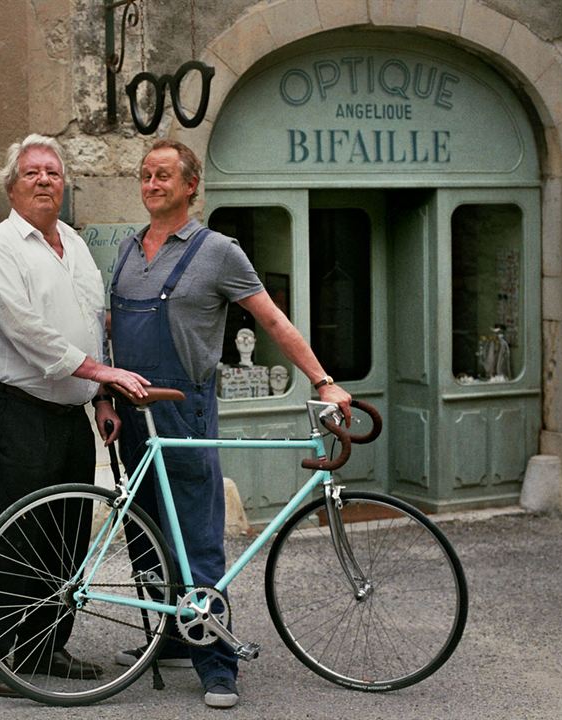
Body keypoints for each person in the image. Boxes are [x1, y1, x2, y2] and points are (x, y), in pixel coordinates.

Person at [109, 139, 351, 709]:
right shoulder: (126, 247)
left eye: (163, 175)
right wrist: (103, 394)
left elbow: (271, 319)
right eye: (145, 174)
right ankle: (170, 637)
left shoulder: (218, 252)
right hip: (130, 407)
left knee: (197, 535)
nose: (151, 183)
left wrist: (322, 381)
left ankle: (217, 663)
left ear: (191, 185)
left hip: (184, 406)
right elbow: (109, 328)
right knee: (146, 530)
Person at [0, 134, 150, 692]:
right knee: (16, 532)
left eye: (53, 172)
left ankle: (44, 647)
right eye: (32, 172)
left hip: (71, 409)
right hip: (19, 408)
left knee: (67, 535)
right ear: (11, 186)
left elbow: (92, 319)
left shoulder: (73, 241)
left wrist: (101, 397)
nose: (45, 180)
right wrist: (101, 374)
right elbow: (27, 334)